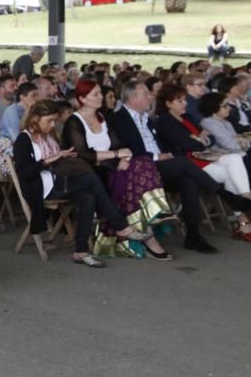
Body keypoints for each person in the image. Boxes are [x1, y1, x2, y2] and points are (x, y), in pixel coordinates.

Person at [110, 80, 251, 254]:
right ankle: (227, 196)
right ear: (133, 98)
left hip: (163, 165)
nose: (150, 97)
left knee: (189, 180)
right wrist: (158, 156)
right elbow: (126, 149)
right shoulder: (119, 119)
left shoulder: (146, 118)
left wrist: (169, 153)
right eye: (146, 94)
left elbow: (170, 143)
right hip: (142, 169)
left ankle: (193, 236)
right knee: (184, 163)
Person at [14, 100, 158, 268]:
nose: (53, 125)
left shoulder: (48, 136)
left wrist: (62, 157)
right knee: (90, 178)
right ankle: (120, 225)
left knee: (88, 197)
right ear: (35, 118)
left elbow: (56, 163)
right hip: (40, 189)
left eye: (54, 120)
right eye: (49, 121)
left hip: (57, 182)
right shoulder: (23, 139)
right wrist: (48, 161)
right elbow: (25, 172)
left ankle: (81, 252)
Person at [62, 80, 173, 259]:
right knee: (136, 178)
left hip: (110, 167)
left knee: (143, 162)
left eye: (100, 93)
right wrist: (115, 156)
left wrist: (124, 157)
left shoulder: (103, 118)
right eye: (95, 94)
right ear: (82, 98)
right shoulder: (74, 122)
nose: (101, 97)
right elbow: (83, 155)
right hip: (90, 172)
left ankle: (155, 212)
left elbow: (119, 144)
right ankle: (145, 227)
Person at [155, 86, 251, 243]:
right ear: (168, 103)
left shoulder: (188, 118)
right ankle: (243, 219)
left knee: (234, 159)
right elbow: (187, 144)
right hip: (188, 165)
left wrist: (200, 139)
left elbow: (210, 138)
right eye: (180, 100)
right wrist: (200, 139)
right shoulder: (165, 121)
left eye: (185, 99)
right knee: (231, 174)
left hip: (203, 158)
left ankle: (246, 198)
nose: (185, 103)